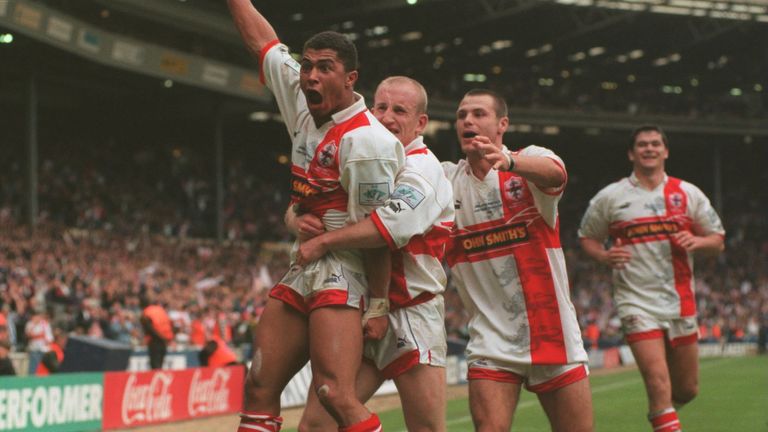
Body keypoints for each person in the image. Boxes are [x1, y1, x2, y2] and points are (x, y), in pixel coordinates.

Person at [227, 2, 404, 431]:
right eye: (307, 66)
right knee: (258, 384)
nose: (311, 75)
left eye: (325, 68)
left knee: (333, 394)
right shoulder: (302, 99)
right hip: (303, 264)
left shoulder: (368, 143)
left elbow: (377, 233)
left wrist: (378, 305)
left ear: (349, 78)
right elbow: (263, 43)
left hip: (345, 271)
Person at [292, 76, 454, 432]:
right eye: (380, 107)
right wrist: (296, 219)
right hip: (361, 312)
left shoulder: (424, 169)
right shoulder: (363, 155)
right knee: (315, 425)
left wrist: (323, 242)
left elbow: (384, 229)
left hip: (411, 314)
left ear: (421, 123)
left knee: (426, 429)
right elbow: (308, 201)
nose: (387, 117)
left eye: (400, 110)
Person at [443, 89, 593, 432]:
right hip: (491, 343)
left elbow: (557, 173)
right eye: (461, 114)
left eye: (479, 113)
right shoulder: (445, 180)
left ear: (502, 124)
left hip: (554, 337)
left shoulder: (529, 162)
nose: (467, 120)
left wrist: (510, 162)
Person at [578, 125, 725, 432]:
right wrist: (604, 256)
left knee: (686, 390)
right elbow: (587, 237)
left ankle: (663, 414)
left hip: (680, 301)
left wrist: (697, 242)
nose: (649, 148)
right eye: (642, 144)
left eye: (655, 143)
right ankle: (663, 412)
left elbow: (718, 240)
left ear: (665, 151)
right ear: (632, 153)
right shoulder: (611, 196)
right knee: (658, 386)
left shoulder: (687, 193)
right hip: (635, 302)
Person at [141, 300, 174, 370]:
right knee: (160, 364)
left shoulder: (147, 312)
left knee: (155, 365)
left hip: (155, 341)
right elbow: (170, 324)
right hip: (164, 340)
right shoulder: (161, 310)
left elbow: (148, 328)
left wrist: (160, 337)